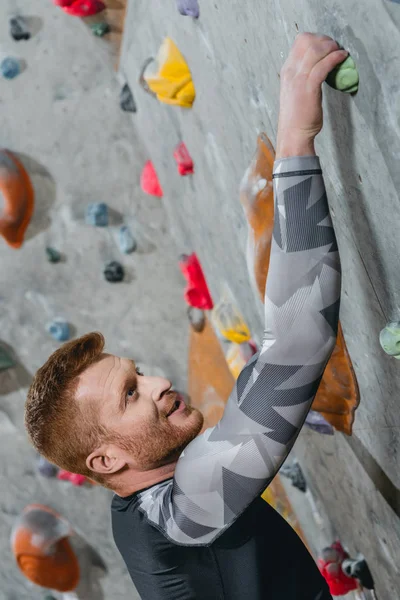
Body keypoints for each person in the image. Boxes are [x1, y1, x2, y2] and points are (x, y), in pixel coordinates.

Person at [25, 33, 346, 600]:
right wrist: (297, 137)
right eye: (130, 393)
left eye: (139, 372)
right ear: (107, 457)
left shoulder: (144, 512)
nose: (160, 381)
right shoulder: (181, 515)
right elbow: (297, 340)